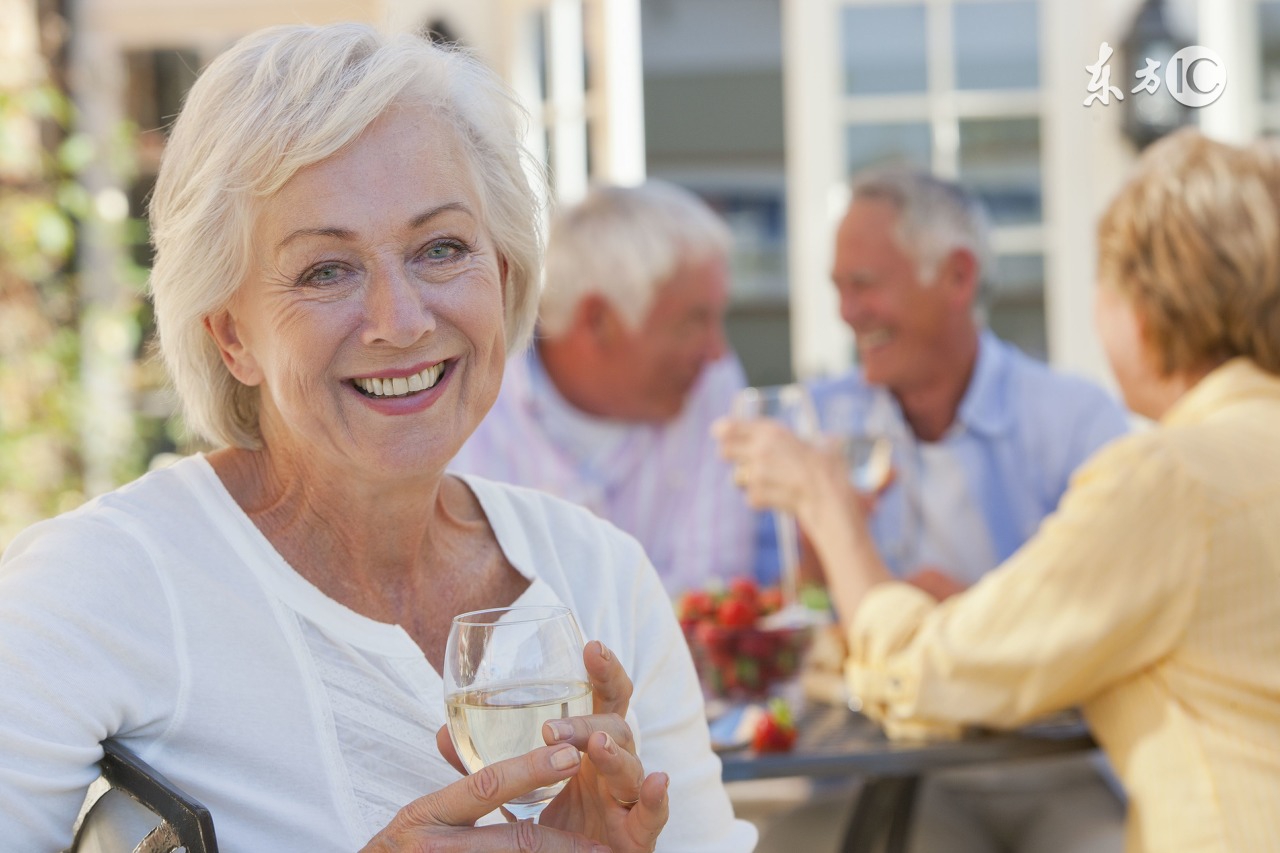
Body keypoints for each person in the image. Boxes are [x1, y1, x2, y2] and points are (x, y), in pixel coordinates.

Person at [0, 24, 756, 852]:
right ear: (232, 336)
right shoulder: (104, 580)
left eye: (442, 249)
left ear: (503, 276)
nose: (401, 320)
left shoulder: (599, 573)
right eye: (326, 269)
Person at [719, 129, 1280, 852]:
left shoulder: (1165, 478)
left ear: (1142, 307)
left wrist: (829, 510)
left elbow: (923, 675)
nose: (847, 311)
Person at [724, 170, 1131, 852]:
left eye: (865, 284)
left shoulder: (1073, 419)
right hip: (887, 770)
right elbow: (794, 626)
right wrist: (822, 551)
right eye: (838, 288)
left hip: (1049, 767)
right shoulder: (821, 420)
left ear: (958, 277)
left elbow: (1108, 618)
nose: (847, 312)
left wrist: (960, 611)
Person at [450, 180, 757, 595]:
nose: (717, 352)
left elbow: (714, 596)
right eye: (692, 323)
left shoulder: (711, 384)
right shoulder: (464, 397)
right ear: (597, 321)